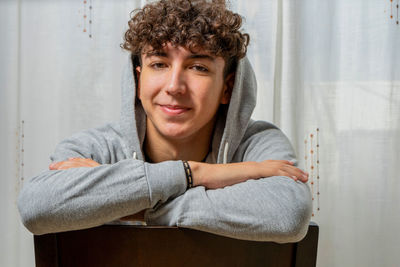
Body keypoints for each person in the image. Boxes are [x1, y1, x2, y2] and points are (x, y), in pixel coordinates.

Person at [18, 0, 312, 242]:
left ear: (228, 88)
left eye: (198, 67)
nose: (174, 86)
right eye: (159, 64)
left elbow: (287, 214)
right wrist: (194, 174)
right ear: (138, 79)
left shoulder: (258, 144)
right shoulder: (95, 147)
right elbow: (38, 206)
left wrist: (130, 206)